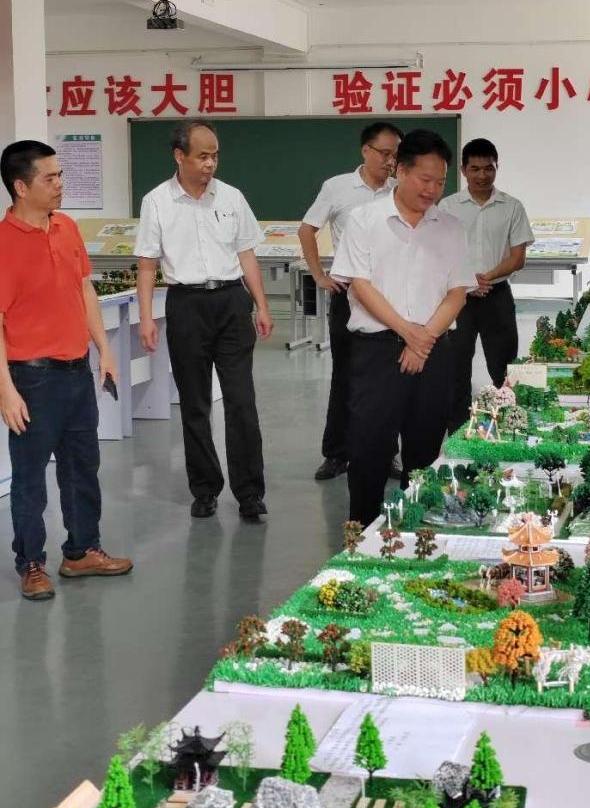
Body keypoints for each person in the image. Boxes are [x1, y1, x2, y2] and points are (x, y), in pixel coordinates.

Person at [0, 140, 133, 601]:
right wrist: (6, 391)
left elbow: (84, 290)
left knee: (82, 468)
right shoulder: (3, 244)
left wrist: (105, 351)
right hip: (31, 378)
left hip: (77, 371)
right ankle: (31, 564)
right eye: (50, 178)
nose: (60, 185)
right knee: (30, 478)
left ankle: (81, 551)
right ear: (21, 187)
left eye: (60, 175)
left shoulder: (67, 227)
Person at [330, 129, 475, 527]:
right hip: (377, 352)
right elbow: (361, 285)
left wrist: (423, 340)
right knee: (369, 450)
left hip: (434, 351)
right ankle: (361, 538)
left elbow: (458, 293)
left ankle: (416, 535)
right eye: (425, 179)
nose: (432, 190)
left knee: (424, 451)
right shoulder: (364, 220)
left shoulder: (451, 227)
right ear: (401, 171)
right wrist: (410, 334)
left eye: (440, 182)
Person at [135, 120, 273, 522]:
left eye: (215, 156)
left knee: (241, 401)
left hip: (231, 302)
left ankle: (250, 492)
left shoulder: (231, 197)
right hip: (186, 305)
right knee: (194, 403)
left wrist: (262, 305)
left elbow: (247, 255)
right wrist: (146, 318)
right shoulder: (156, 201)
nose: (210, 163)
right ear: (180, 156)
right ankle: (205, 489)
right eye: (202, 156)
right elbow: (147, 266)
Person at [298, 121, 403, 481]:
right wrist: (318, 275)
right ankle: (337, 453)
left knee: (388, 376)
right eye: (384, 153)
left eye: (395, 155)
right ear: (365, 151)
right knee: (345, 373)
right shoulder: (337, 187)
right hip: (349, 294)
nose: (390, 161)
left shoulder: (399, 190)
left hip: (389, 296)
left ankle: (387, 454)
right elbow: (307, 229)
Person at [439, 138, 534, 434]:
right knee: (455, 367)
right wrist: (468, 281)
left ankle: (507, 427)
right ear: (464, 171)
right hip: (458, 298)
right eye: (475, 169)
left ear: (497, 167)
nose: (482, 175)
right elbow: (439, 254)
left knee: (504, 366)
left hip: (497, 296)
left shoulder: (512, 207)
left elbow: (517, 258)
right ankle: (458, 433)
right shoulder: (447, 207)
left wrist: (486, 277)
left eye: (488, 168)